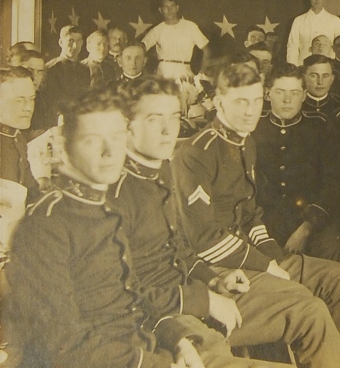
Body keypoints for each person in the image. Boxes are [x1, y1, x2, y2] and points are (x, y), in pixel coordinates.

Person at [110, 77, 340, 368]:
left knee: (307, 311)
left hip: (192, 291)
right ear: (126, 125)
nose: (169, 129)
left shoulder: (162, 172)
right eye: (154, 119)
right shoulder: (114, 193)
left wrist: (213, 280)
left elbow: (179, 250)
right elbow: (123, 292)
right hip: (164, 319)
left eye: (173, 117)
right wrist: (202, 301)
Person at [171, 63, 340, 363]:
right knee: (306, 303)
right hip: (218, 269)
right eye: (241, 102)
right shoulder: (196, 153)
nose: (250, 111)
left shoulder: (245, 141)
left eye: (255, 101)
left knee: (337, 277)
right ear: (219, 101)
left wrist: (274, 257)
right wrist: (266, 265)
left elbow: (250, 215)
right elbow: (204, 239)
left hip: (251, 258)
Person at [5, 88, 214, 368]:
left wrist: (176, 338)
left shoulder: (104, 209)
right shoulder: (45, 227)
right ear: (65, 147)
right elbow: (63, 346)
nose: (109, 152)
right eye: (92, 140)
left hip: (141, 350)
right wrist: (155, 364)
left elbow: (128, 299)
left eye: (117, 137)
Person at [254, 65, 340, 268]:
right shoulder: (254, 128)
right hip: (266, 218)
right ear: (267, 94)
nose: (287, 100)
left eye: (294, 93)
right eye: (280, 92)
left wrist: (307, 228)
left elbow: (335, 183)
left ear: (303, 95)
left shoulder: (320, 126)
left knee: (330, 247)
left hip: (312, 218)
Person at [142, 0, 210, 80]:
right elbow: (141, 49)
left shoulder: (190, 26)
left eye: (172, 6)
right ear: (160, 10)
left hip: (185, 71)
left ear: (177, 8)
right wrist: (146, 73)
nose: (169, 10)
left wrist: (201, 73)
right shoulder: (157, 30)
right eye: (165, 7)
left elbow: (206, 50)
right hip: (163, 73)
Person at [0, 67, 40, 202]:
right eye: (19, 100)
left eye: (32, 99)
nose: (28, 107)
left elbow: (31, 190)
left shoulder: (17, 138)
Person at [287, 0, 340, 65]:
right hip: (304, 67)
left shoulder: (334, 20)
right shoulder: (298, 21)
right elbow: (292, 47)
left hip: (328, 66)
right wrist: (292, 69)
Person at [44, 25, 88, 116]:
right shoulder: (51, 68)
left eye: (78, 41)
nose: (75, 46)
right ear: (61, 42)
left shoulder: (85, 70)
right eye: (70, 41)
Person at [302, 53, 340, 119]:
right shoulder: (295, 105)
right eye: (314, 76)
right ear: (304, 77)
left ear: (332, 79)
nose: (320, 82)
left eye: (325, 76)